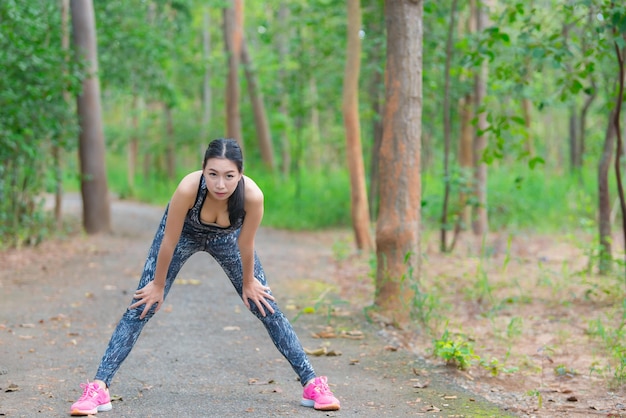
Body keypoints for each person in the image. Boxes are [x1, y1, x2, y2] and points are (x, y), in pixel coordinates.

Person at [70, 138, 340, 415]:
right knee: (142, 305)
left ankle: (312, 384)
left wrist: (249, 282)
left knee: (266, 305)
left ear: (241, 174)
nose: (220, 184)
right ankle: (99, 388)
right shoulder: (189, 188)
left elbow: (246, 244)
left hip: (228, 241)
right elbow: (168, 241)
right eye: (212, 174)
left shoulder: (252, 196)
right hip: (183, 235)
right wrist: (158, 285)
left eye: (229, 176)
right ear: (203, 170)